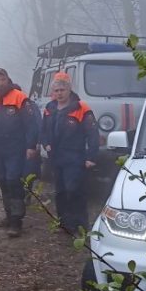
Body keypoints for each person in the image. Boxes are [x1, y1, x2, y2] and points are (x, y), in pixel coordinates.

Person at [0, 68, 40, 237]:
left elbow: (31, 124)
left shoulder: (19, 97)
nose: (0, 83)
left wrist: (31, 146)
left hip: (16, 149)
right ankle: (8, 215)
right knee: (2, 181)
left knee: (13, 181)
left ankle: (16, 222)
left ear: (8, 79)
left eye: (3, 79)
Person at [41, 73, 99, 234]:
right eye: (56, 90)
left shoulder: (81, 108)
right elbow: (43, 130)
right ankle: (64, 223)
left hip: (75, 157)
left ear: (69, 90)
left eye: (62, 90)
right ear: (53, 92)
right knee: (60, 192)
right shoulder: (49, 108)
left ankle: (80, 226)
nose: (59, 93)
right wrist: (46, 144)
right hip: (56, 157)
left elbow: (92, 134)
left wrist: (91, 157)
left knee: (74, 190)